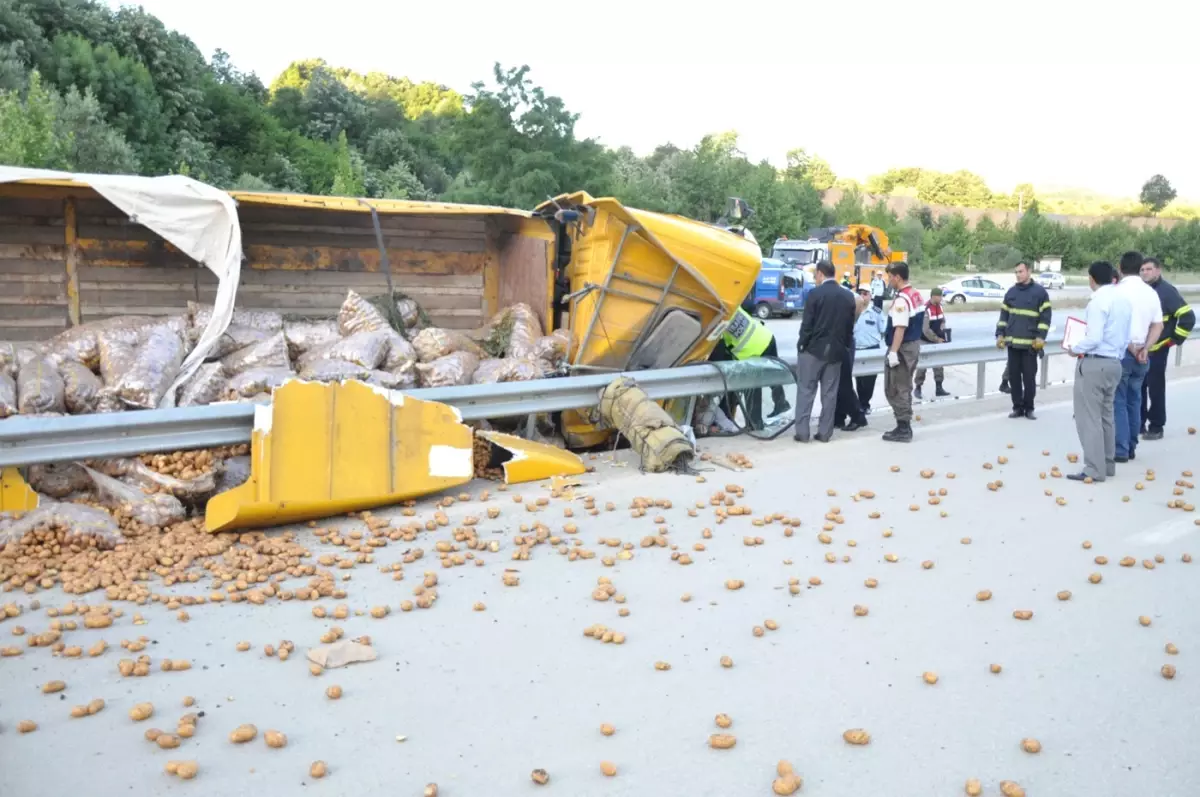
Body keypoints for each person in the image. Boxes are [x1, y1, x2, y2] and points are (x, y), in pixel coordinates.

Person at [1066, 261, 1131, 482]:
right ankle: (1107, 463)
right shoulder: (1123, 300)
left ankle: (1094, 469)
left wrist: (1075, 348)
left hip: (1095, 364)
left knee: (1089, 418)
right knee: (1106, 416)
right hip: (1115, 363)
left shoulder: (1097, 301)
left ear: (1092, 279)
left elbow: (1093, 338)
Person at [794, 259, 856, 443]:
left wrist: (802, 345)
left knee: (806, 391)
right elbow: (849, 328)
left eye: (816, 275)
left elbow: (807, 325)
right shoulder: (848, 296)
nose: (815, 278)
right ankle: (825, 433)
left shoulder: (815, 294)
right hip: (836, 352)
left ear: (820, 273)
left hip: (813, 350)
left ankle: (803, 433)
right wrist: (843, 346)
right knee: (829, 394)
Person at [1112, 251, 1162, 463]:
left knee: (1118, 402)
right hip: (1143, 355)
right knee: (1135, 400)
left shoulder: (1116, 292)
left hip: (1122, 353)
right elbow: (1158, 325)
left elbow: (1117, 327)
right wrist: (1145, 349)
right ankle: (1132, 446)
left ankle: (1121, 449)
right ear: (1140, 267)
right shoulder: (1150, 292)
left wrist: (1133, 349)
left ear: (1120, 268)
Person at [711, 302, 791, 429]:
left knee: (752, 389)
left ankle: (754, 425)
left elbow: (719, 354)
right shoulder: (732, 305)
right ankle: (781, 404)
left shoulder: (717, 324)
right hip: (767, 337)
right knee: (773, 375)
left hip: (753, 353)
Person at [1140, 256, 1195, 440]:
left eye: (1149, 269)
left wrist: (1174, 340)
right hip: (1139, 349)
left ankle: (1156, 426)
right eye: (1142, 270)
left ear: (1158, 270)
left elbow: (1188, 317)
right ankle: (1138, 424)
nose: (1145, 273)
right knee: (1139, 387)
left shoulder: (1167, 292)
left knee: (1155, 388)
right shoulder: (1141, 290)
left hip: (1157, 349)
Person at [995, 262, 1051, 419]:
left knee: (1029, 379)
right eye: (1016, 272)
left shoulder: (1040, 293)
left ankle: (1029, 408)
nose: (1018, 274)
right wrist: (1000, 334)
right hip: (1013, 345)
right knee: (1014, 378)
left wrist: (1040, 337)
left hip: (1030, 346)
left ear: (1029, 271)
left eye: (1021, 271)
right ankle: (1017, 407)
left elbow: (1045, 318)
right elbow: (1003, 317)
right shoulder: (1011, 293)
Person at [881, 261, 924, 442]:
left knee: (896, 387)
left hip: (902, 348)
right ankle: (904, 424)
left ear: (897, 277)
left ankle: (903, 427)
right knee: (904, 384)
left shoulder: (901, 299)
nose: (888, 280)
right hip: (912, 345)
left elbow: (899, 327)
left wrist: (893, 352)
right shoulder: (915, 294)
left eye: (890, 277)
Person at [832, 293, 870, 432]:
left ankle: (858, 416)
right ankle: (838, 417)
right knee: (836, 383)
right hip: (838, 341)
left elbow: (859, 301)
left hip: (844, 341)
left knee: (843, 383)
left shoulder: (842, 292)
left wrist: (852, 319)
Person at [913, 286, 951, 400]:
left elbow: (942, 320)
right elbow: (925, 329)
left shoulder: (940, 307)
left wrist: (943, 328)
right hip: (925, 340)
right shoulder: (926, 309)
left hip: (937, 340)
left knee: (939, 365)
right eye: (940, 296)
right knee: (923, 365)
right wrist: (937, 339)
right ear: (934, 296)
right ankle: (918, 388)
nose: (941, 298)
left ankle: (939, 388)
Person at [853, 286, 885, 415]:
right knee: (859, 380)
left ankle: (865, 404)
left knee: (869, 381)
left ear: (870, 295)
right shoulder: (853, 311)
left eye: (865, 293)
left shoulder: (876, 312)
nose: (862, 296)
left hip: (871, 349)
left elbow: (883, 331)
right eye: (860, 293)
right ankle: (860, 404)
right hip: (857, 349)